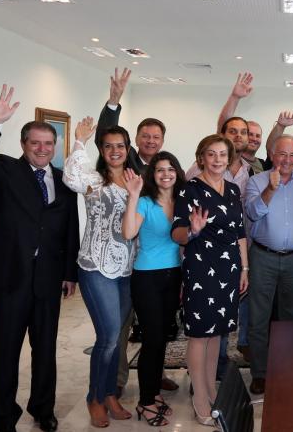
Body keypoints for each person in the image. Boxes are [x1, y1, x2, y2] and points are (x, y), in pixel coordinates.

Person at [0, 84, 79, 432]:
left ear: (55, 146)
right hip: (8, 277)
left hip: (47, 279)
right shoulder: (4, 171)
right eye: (35, 143)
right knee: (4, 352)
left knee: (45, 351)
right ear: (24, 145)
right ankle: (3, 417)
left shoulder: (63, 181)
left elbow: (69, 229)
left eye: (49, 144)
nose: (43, 149)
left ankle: (42, 409)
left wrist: (69, 272)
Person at [96, 67, 178, 393]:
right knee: (118, 326)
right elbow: (107, 134)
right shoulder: (125, 160)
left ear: (162, 142)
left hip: (155, 264)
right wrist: (114, 101)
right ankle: (114, 384)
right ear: (137, 139)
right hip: (120, 259)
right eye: (145, 136)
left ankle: (153, 375)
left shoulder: (165, 171)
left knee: (156, 325)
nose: (150, 141)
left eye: (156, 138)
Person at [63, 117, 137, 427]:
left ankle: (109, 394)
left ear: (127, 148)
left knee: (118, 337)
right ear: (101, 150)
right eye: (108, 146)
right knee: (107, 337)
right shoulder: (94, 179)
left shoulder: (136, 179)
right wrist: (79, 140)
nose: (115, 151)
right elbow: (70, 177)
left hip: (126, 270)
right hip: (96, 266)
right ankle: (94, 398)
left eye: (120, 146)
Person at [171, 135, 249, 425]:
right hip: (201, 268)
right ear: (201, 157)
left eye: (222, 154)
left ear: (229, 158)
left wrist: (245, 269)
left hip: (230, 269)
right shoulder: (189, 190)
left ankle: (212, 389)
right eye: (211, 154)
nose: (217, 160)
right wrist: (192, 230)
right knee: (199, 334)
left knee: (217, 334)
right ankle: (199, 397)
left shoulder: (230, 189)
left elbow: (239, 232)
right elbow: (177, 232)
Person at [121, 152, 186, 426]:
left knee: (163, 339)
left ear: (177, 172)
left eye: (170, 169)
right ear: (152, 175)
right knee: (152, 340)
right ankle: (145, 403)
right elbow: (128, 233)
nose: (166, 174)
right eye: (160, 170)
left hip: (174, 276)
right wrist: (133, 195)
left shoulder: (183, 201)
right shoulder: (145, 203)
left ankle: (153, 392)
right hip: (147, 276)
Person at [243, 135, 293, 394]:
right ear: (272, 155)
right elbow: (252, 213)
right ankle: (259, 373)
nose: (288, 160)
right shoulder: (255, 181)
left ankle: (286, 369)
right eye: (283, 154)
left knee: (291, 318)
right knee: (259, 318)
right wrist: (270, 189)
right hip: (263, 256)